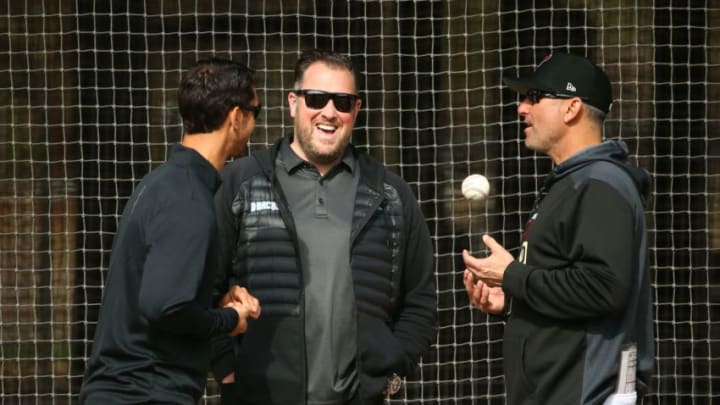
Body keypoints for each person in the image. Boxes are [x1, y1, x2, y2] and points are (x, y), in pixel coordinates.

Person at [211, 48, 437, 405]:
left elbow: (420, 301)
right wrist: (227, 369)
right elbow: (206, 286)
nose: (329, 112)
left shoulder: (391, 194)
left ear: (356, 111)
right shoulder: (241, 182)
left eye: (343, 102)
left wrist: (391, 372)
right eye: (316, 98)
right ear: (293, 103)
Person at [462, 53, 654, 405]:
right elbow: (570, 289)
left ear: (572, 108)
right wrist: (514, 300)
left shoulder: (600, 183)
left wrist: (513, 276)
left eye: (535, 97)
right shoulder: (575, 182)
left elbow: (603, 287)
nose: (522, 109)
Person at [80, 58, 262, 405]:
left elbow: (162, 293)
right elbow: (165, 306)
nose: (255, 122)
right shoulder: (189, 200)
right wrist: (229, 319)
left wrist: (212, 303)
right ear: (236, 118)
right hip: (144, 393)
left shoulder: (161, 183)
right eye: (256, 112)